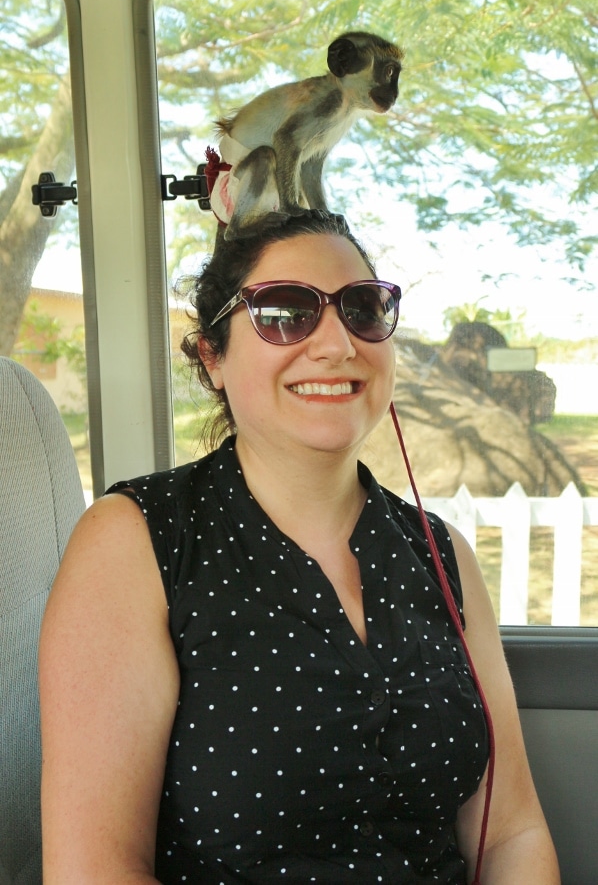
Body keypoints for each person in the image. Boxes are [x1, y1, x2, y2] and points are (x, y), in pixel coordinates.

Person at [39, 211, 559, 884]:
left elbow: (511, 832)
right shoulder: (137, 540)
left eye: (363, 309)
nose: (337, 344)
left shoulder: (443, 554)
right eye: (285, 313)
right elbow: (95, 870)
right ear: (213, 357)